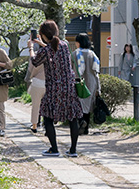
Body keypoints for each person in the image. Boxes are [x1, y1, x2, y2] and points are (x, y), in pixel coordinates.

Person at [28, 20, 83, 157]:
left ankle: (54, 149)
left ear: (43, 34)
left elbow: (35, 61)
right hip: (69, 86)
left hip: (54, 88)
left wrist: (31, 48)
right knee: (72, 117)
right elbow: (53, 49)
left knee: (47, 116)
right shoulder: (64, 45)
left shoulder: (46, 50)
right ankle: (73, 150)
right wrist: (42, 44)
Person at [73, 33, 101, 135]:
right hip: (91, 82)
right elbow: (96, 71)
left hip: (79, 82)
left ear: (78, 42)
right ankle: (86, 129)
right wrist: (98, 88)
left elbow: (71, 69)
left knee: (78, 104)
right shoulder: (92, 54)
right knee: (88, 106)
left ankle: (81, 122)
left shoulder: (75, 54)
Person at [24, 54, 45, 134]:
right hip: (49, 82)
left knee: (36, 105)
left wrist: (28, 78)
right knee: (47, 105)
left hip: (37, 82)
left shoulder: (35, 56)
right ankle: (47, 126)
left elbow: (30, 69)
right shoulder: (52, 54)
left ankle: (34, 126)